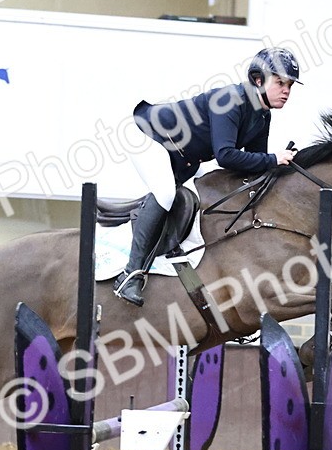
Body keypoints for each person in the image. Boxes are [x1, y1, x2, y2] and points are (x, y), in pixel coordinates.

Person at [113, 47, 302, 307]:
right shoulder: (231, 100)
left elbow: (253, 165)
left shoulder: (261, 115)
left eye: (290, 85)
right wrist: (272, 159)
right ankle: (130, 275)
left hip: (182, 157)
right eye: (280, 82)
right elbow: (225, 155)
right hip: (148, 135)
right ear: (258, 80)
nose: (286, 91)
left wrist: (280, 169)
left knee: (202, 195)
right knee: (166, 193)